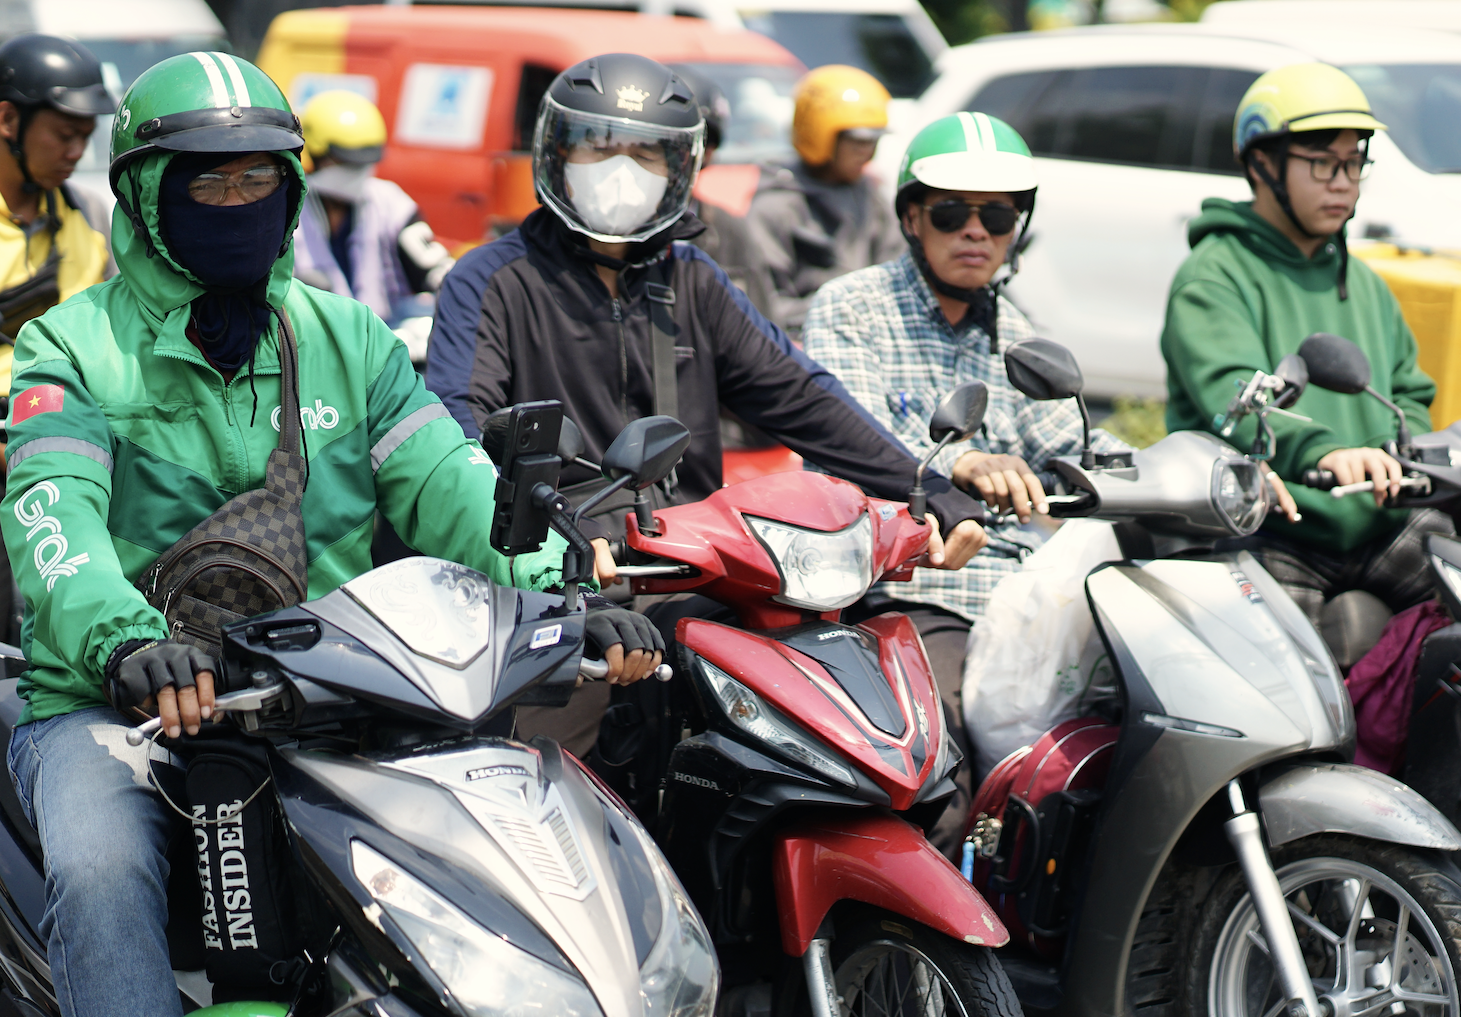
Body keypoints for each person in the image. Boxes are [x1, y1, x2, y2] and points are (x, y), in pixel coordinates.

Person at [0, 51, 660, 1017]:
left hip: (331, 695)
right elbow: (53, 524)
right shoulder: (71, 345)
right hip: (117, 704)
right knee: (103, 870)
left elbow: (452, 483)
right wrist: (129, 645)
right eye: (207, 183)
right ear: (143, 196)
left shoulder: (349, 338)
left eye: (258, 180)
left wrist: (567, 590)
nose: (238, 204)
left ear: (292, 191)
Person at [425, 52, 987, 763]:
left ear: (679, 169)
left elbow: (800, 394)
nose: (621, 171)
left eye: (644, 154)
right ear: (557, 154)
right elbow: (459, 429)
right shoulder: (492, 278)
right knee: (542, 781)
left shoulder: (693, 277)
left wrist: (925, 487)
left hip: (694, 571)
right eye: (600, 148)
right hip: (558, 584)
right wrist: (558, 544)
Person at [802, 110, 1133, 838]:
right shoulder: (853, 309)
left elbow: (1071, 441)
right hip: (912, 588)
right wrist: (960, 461)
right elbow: (844, 438)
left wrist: (1181, 471)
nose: (975, 232)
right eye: (952, 213)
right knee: (942, 780)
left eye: (997, 216)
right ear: (912, 218)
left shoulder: (1017, 330)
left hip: (1028, 598)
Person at [1162, 62, 1444, 665]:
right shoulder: (1214, 276)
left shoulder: (1364, 283)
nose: (1342, 183)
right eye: (1321, 163)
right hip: (1269, 523)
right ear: (1262, 165)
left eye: (1353, 163)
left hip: (1375, 522)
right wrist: (1322, 452)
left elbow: (1409, 392)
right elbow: (1233, 394)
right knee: (1290, 693)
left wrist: (1400, 452)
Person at [737, 64, 905, 336]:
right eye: (858, 141)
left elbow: (898, 273)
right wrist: (839, 308)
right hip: (801, 344)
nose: (867, 153)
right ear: (819, 133)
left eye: (873, 141)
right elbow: (763, 306)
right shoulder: (776, 207)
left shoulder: (869, 196)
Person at [0, 34, 116, 401]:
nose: (77, 152)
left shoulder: (89, 213)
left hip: (78, 416)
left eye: (86, 137)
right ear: (7, 119)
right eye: (65, 135)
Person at [291, 88, 453, 321]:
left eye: (362, 164)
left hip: (385, 334)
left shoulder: (389, 203)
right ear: (313, 156)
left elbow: (436, 269)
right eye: (343, 162)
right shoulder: (286, 209)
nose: (355, 173)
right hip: (313, 336)